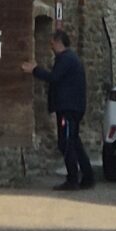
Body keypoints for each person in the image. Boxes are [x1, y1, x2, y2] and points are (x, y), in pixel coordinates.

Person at [33, 29, 95, 189]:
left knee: (66, 142)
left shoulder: (66, 59)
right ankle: (88, 177)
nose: (51, 46)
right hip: (73, 107)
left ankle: (73, 179)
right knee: (74, 141)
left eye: (52, 43)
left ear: (58, 42)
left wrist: (35, 70)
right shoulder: (71, 58)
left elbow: (54, 77)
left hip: (68, 108)